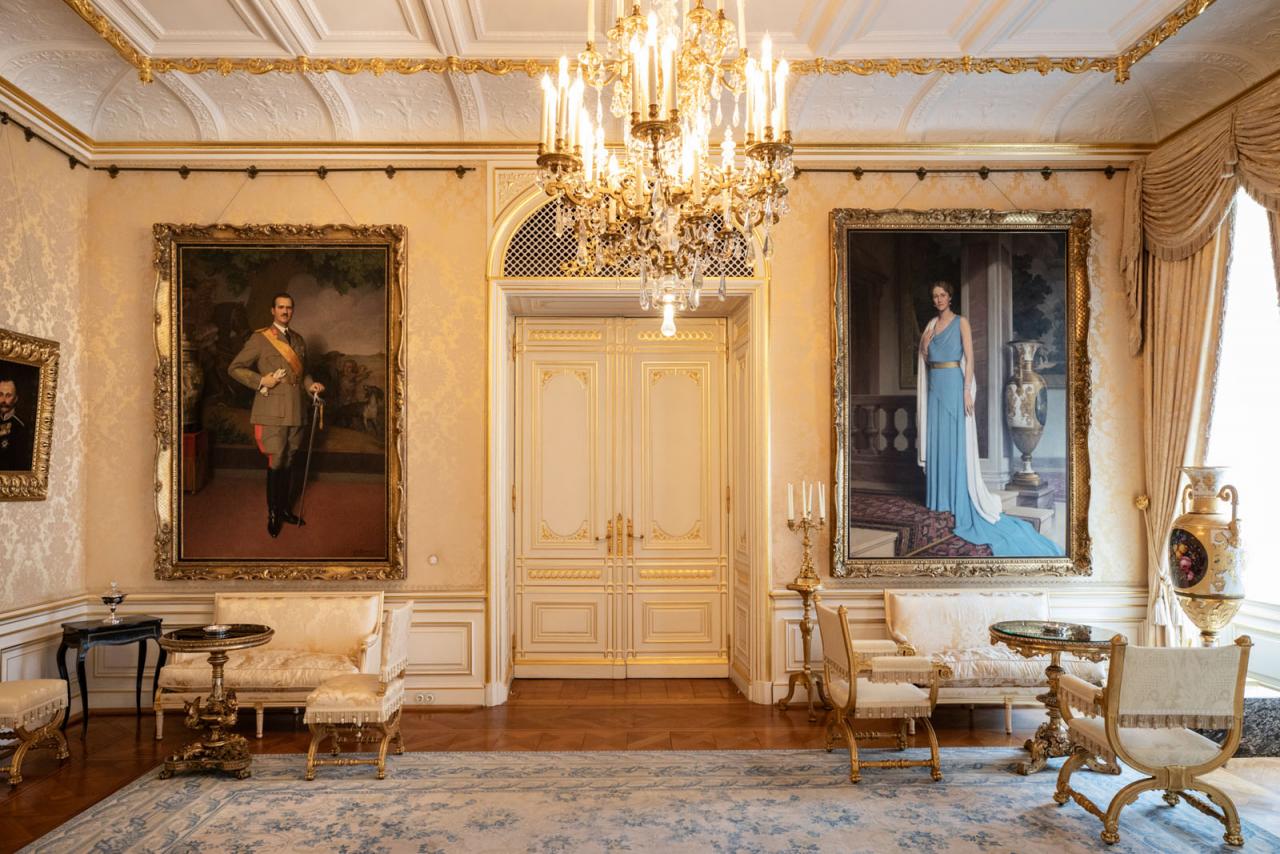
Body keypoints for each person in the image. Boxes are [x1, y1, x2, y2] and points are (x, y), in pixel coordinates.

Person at [915, 281, 1059, 557]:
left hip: (954, 385)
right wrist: (926, 338)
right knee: (938, 442)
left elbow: (970, 359)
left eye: (942, 295)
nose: (938, 299)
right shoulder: (931, 325)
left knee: (954, 443)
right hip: (935, 386)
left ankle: (955, 498)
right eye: (934, 296)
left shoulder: (962, 323)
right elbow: (924, 355)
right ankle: (938, 498)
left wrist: (967, 391)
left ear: (950, 296)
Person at [229, 293, 325, 537]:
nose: (285, 311)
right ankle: (273, 514)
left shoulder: (299, 340)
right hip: (271, 411)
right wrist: (262, 380)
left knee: (289, 460)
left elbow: (303, 374)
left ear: (293, 311)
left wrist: (311, 385)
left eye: (289, 307)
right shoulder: (260, 339)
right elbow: (235, 368)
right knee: (276, 461)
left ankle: (283, 510)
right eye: (280, 307)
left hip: (296, 410)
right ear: (272, 310)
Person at [0, 377, 33, 471]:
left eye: (8, 395)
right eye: (1, 394)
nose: (3, 400)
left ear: (15, 399)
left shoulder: (22, 426)